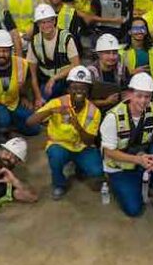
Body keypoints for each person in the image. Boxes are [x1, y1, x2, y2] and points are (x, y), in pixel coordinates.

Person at [99, 72, 153, 217]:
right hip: (120, 166)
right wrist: (138, 160)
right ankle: (119, 182)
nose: (143, 101)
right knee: (134, 210)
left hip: (143, 157)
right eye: (139, 96)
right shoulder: (112, 117)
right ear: (129, 94)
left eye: (147, 96)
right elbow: (109, 152)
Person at [29, 65, 102, 200]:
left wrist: (77, 126)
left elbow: (89, 141)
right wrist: (51, 111)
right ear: (68, 89)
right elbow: (30, 122)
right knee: (56, 156)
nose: (79, 91)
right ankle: (59, 184)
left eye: (83, 88)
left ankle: (79, 167)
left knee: (97, 172)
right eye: (74, 87)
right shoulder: (57, 102)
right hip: (60, 146)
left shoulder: (94, 111)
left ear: (88, 90)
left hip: (82, 147)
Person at [0, 29, 42, 138]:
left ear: (11, 50)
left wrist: (24, 97)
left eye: (5, 51)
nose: (1, 54)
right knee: (3, 118)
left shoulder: (22, 64)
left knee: (34, 128)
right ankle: (0, 128)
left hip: (13, 103)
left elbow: (27, 83)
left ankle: (9, 125)